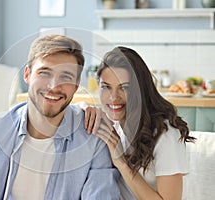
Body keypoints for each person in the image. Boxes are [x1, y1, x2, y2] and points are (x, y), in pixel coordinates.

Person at [0, 35, 120, 199]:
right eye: (44, 73)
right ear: (27, 74)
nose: (53, 86)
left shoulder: (93, 139)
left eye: (65, 77)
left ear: (75, 86)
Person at [82, 46, 195, 200]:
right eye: (106, 87)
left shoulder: (166, 135)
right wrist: (84, 107)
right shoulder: (114, 124)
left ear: (140, 89)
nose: (113, 98)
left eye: (124, 88)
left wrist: (121, 162)